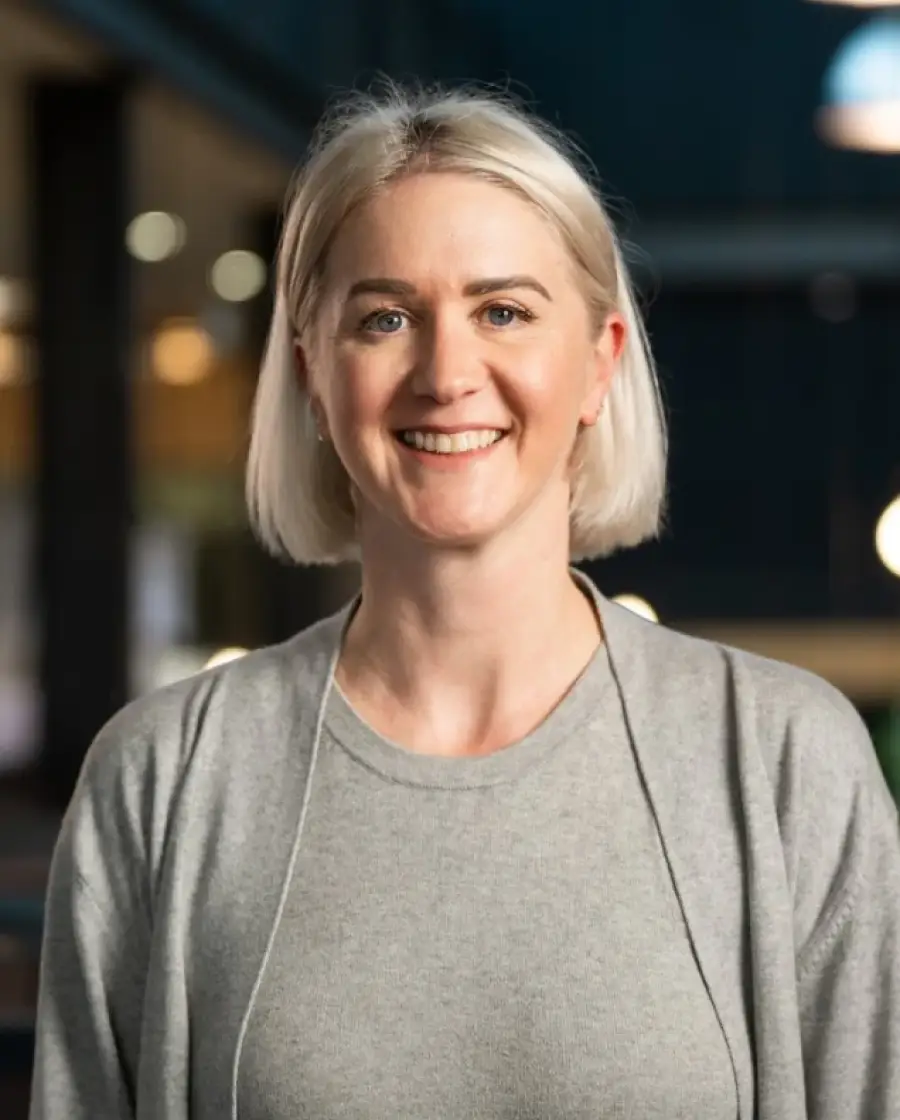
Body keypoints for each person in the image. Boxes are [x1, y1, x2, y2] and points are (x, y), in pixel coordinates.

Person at [29, 84, 900, 1120]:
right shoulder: (166, 780)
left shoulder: (783, 760)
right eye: (386, 316)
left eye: (503, 311)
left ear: (598, 363)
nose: (447, 373)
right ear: (313, 371)